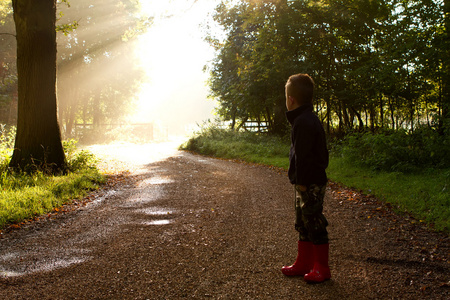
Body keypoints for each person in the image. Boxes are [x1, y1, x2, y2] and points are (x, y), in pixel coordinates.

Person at [281, 73, 331, 283]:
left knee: (313, 220)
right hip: (303, 182)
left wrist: (302, 183)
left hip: (309, 183)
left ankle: (321, 267)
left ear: (291, 99)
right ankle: (304, 262)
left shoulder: (304, 121)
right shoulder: (303, 119)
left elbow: (304, 156)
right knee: (302, 222)